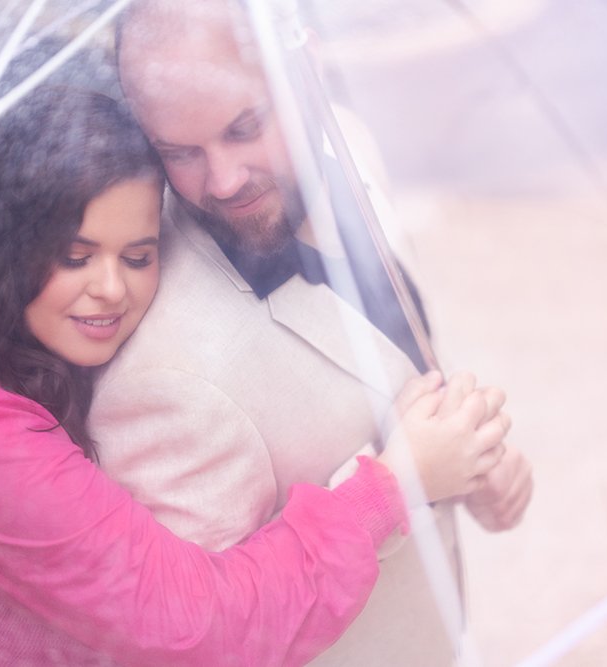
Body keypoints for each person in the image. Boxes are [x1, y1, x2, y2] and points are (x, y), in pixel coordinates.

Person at [0, 86, 510, 666]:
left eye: (138, 256)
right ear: (5, 245)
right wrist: (391, 486)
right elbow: (197, 630)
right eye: (74, 256)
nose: (111, 288)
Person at [91, 1, 534, 665]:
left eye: (245, 127)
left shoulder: (350, 144)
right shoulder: (161, 378)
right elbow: (203, 638)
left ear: (306, 69)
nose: (224, 180)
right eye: (179, 152)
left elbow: (393, 353)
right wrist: (397, 485)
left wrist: (466, 461)